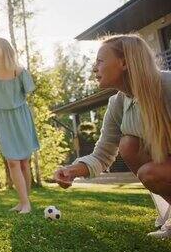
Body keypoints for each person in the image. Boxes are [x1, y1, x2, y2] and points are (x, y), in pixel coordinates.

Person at [53, 34, 171, 237]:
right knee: (128, 144)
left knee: (149, 172)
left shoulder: (167, 84)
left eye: (99, 61)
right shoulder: (118, 104)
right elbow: (102, 155)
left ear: (124, 62)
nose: (94, 68)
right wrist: (71, 170)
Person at [0, 37, 40, 214]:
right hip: (2, 119)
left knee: (24, 163)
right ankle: (24, 203)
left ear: (5, 49)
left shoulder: (19, 72)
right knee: (13, 162)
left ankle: (24, 202)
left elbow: (28, 95)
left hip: (21, 117)